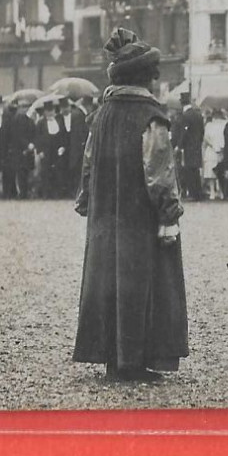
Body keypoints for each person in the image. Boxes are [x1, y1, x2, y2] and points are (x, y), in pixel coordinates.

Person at [73, 28, 189, 382]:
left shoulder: (102, 113)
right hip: (140, 218)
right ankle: (135, 361)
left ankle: (112, 357)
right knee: (142, 283)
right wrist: (169, 216)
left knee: (107, 280)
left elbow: (88, 162)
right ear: (145, 77)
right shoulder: (151, 115)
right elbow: (159, 171)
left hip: (106, 217)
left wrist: (87, 201)